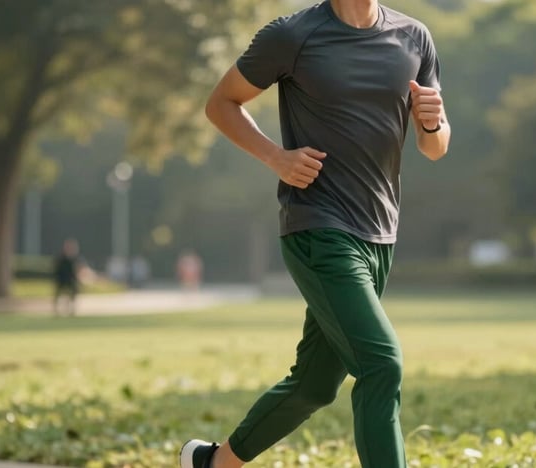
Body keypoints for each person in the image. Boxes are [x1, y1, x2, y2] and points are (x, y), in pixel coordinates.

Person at [181, 1, 449, 467]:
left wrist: (431, 121)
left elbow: (435, 147)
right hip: (318, 227)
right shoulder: (294, 35)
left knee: (314, 384)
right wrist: (275, 157)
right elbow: (221, 103)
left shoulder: (414, 37)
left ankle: (213, 463)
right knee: (381, 364)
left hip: (379, 233)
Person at [53, 238, 82, 316]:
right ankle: (56, 310)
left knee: (73, 293)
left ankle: (71, 309)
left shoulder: (75, 258)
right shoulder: (61, 258)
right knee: (58, 293)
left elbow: (77, 269)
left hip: (71, 280)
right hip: (61, 279)